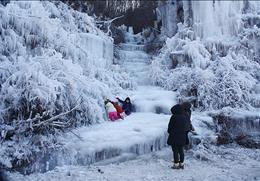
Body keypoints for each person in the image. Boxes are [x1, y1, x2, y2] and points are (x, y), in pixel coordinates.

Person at [167, 104, 190, 169]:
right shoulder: (185, 116)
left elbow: (170, 127)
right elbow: (186, 127)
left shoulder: (173, 117)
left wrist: (169, 132)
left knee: (175, 150)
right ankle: (181, 164)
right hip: (182, 136)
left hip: (174, 136)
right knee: (181, 150)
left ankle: (176, 164)